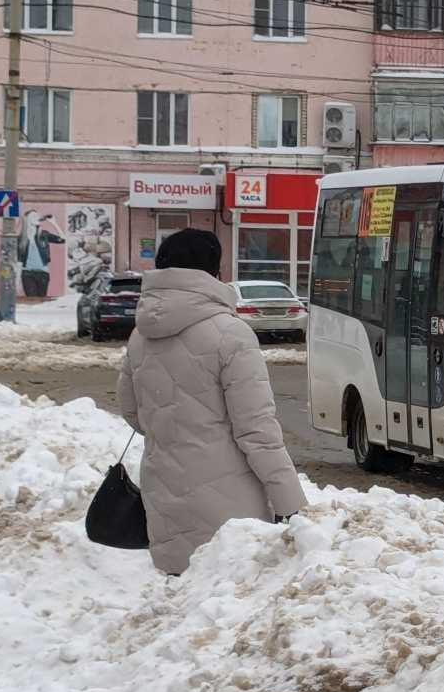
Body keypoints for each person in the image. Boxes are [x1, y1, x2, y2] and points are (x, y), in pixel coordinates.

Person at [117, 228, 304, 576]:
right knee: (228, 609)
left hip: (163, 495)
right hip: (230, 506)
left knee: (183, 607)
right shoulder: (231, 334)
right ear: (213, 273)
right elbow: (257, 431)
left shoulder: (141, 334)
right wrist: (292, 504)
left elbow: (132, 412)